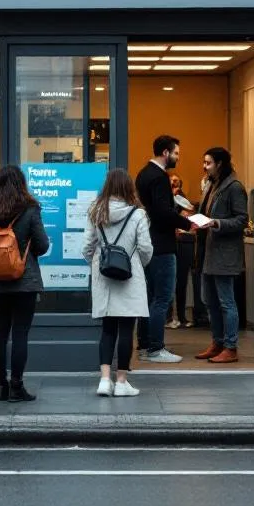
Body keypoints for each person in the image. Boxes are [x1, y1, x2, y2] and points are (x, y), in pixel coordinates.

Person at [0, 166, 50, 402]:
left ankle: (1, 386)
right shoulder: (30, 208)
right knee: (20, 334)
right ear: (22, 183)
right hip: (24, 281)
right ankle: (17, 386)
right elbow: (42, 244)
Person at [83, 168, 154, 397]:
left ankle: (105, 379)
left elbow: (87, 247)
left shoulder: (96, 210)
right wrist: (134, 263)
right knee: (126, 330)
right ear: (127, 187)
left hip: (104, 277)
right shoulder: (138, 214)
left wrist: (97, 263)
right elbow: (145, 248)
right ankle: (121, 381)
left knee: (107, 329)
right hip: (129, 278)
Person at [134, 135, 194, 363]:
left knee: (148, 297)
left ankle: (144, 345)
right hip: (162, 245)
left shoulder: (143, 174)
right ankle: (155, 348)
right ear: (166, 153)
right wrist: (187, 222)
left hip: (147, 243)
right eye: (176, 153)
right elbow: (161, 211)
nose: (178, 157)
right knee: (162, 298)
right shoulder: (159, 177)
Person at [195, 147, 249, 364]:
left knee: (226, 301)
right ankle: (217, 342)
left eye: (208, 162)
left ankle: (231, 346)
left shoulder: (234, 187)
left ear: (220, 163)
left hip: (225, 254)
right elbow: (208, 213)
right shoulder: (212, 185)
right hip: (209, 251)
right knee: (210, 301)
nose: (205, 166)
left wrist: (216, 223)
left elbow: (242, 219)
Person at [167, 174, 196, 329]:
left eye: (176, 181)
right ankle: (169, 317)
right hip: (170, 243)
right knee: (169, 281)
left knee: (182, 282)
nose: (174, 183)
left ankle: (182, 316)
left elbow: (189, 214)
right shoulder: (163, 200)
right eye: (171, 181)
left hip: (183, 243)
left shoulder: (183, 200)